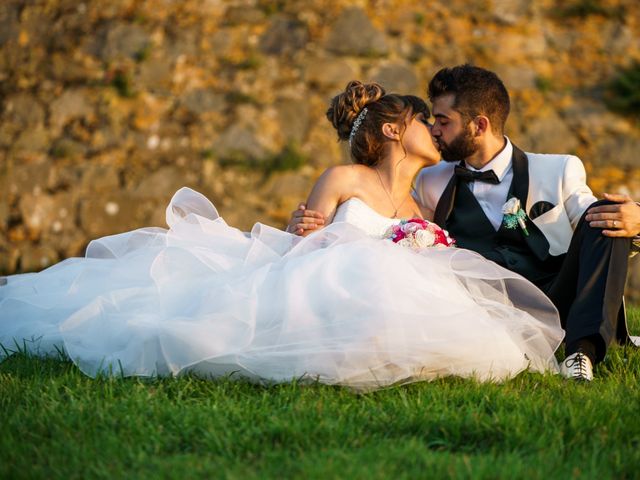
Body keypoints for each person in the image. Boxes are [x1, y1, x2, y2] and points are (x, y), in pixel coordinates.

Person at [0, 81, 564, 391]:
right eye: (425, 120)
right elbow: (304, 245)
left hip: (391, 289)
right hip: (325, 279)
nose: (435, 131)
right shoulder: (346, 178)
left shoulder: (422, 203)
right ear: (395, 130)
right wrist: (302, 228)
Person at [290, 65, 640, 382]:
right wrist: (310, 223)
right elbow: (390, 218)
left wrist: (637, 219)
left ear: (479, 125)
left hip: (556, 295)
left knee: (605, 214)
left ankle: (582, 353)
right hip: (489, 310)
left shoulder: (558, 169)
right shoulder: (429, 183)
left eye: (443, 121)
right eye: (431, 122)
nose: (435, 131)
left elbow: (597, 226)